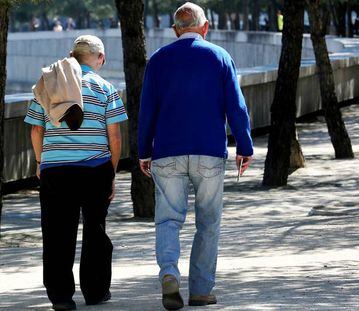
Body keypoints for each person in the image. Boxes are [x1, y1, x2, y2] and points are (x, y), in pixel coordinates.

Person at [138, 2, 254, 310]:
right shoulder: (219, 57)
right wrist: (245, 146)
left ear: (175, 29)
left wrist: (143, 151)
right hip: (209, 152)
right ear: (205, 27)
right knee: (208, 222)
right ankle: (201, 290)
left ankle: (169, 274)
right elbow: (236, 107)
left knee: (167, 219)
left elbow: (147, 108)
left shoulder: (158, 60)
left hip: (167, 152)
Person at [24, 35, 128, 311]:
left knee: (57, 233)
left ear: (72, 55)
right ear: (100, 59)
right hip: (95, 170)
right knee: (95, 231)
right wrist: (112, 171)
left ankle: (60, 297)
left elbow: (36, 129)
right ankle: (95, 292)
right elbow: (115, 136)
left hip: (56, 171)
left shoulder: (48, 84)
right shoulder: (106, 88)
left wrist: (40, 161)